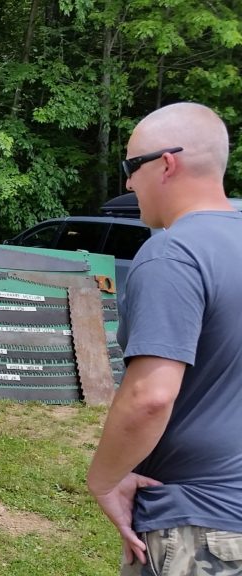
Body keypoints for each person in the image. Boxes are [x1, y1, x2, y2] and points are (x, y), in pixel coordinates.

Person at [87, 103, 242, 575]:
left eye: (131, 167)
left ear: (166, 164)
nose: (129, 184)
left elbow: (150, 397)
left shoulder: (172, 254)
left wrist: (104, 480)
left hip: (202, 525)